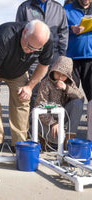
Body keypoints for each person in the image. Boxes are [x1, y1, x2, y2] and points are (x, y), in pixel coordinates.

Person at [0, 20, 54, 155]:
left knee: (22, 101)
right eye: (29, 46)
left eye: (36, 49)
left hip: (18, 72)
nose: (31, 51)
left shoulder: (46, 41)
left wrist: (29, 87)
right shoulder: (5, 35)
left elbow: (43, 66)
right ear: (24, 32)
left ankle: (19, 142)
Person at [15, 0, 69, 128]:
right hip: (32, 55)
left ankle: (50, 128)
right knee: (33, 91)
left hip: (53, 56)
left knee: (53, 91)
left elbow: (64, 33)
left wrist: (61, 55)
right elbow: (19, 31)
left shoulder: (58, 8)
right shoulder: (25, 7)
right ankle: (32, 127)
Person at [35, 56, 84, 149]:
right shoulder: (45, 83)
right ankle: (44, 139)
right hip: (46, 119)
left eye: (64, 75)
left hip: (61, 118)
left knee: (77, 103)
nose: (60, 78)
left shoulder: (69, 82)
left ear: (68, 75)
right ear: (53, 71)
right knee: (55, 138)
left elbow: (81, 98)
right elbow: (39, 106)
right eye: (57, 73)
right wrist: (52, 123)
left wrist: (66, 88)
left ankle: (68, 141)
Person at [64, 0, 92, 142]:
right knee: (71, 97)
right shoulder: (67, 9)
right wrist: (70, 28)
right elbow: (59, 29)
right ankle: (67, 137)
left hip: (91, 59)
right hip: (72, 59)